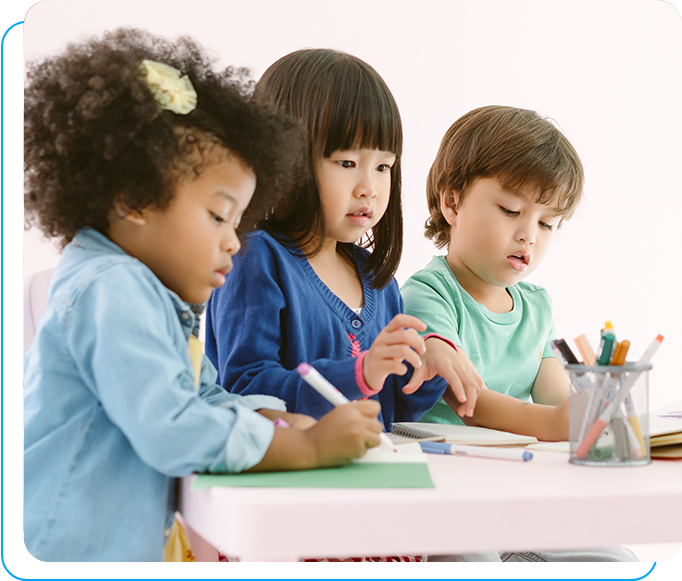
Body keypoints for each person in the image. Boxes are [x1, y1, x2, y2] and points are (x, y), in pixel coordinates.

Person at [23, 29, 384, 563]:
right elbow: (171, 425)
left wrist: (275, 419)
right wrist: (301, 447)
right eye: (218, 216)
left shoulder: (156, 297)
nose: (233, 241)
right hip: (60, 553)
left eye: (238, 222)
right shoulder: (111, 288)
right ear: (134, 200)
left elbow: (205, 396)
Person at [402, 105, 638, 563]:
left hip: (516, 490)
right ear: (452, 203)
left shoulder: (538, 306)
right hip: (443, 492)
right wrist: (553, 426)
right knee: (474, 564)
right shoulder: (427, 295)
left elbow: (552, 392)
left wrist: (588, 413)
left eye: (548, 223)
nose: (529, 234)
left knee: (616, 561)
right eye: (511, 210)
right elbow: (468, 402)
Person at [205, 49, 482, 432]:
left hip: (367, 478)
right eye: (347, 163)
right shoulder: (256, 258)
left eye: (383, 166)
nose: (369, 188)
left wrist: (427, 363)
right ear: (284, 160)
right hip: (295, 481)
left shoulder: (376, 279)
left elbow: (397, 411)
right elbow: (248, 391)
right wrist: (360, 371)